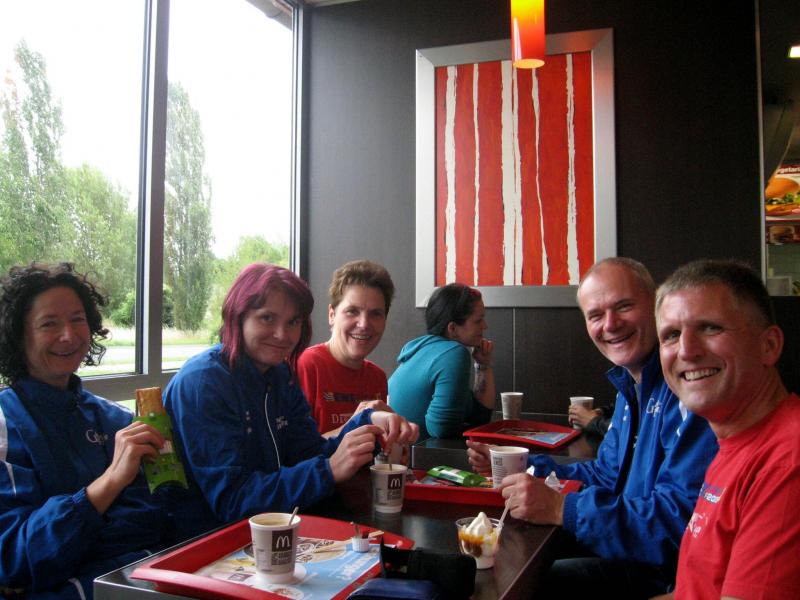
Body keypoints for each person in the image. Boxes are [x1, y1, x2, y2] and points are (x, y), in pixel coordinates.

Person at [467, 257, 718, 597]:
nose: (610, 324)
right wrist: (522, 464)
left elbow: (678, 524)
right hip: (632, 551)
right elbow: (606, 474)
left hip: (663, 575)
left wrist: (562, 509)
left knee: (531, 579)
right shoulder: (631, 388)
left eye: (624, 306)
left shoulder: (688, 389)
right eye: (596, 315)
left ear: (656, 304)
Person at [163, 263, 418, 541]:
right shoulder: (204, 382)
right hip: (203, 541)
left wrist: (368, 423)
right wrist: (328, 471)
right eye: (267, 318)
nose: (282, 335)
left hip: (273, 532)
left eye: (293, 322)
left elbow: (309, 452)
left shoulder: (280, 374)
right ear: (238, 315)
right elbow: (232, 500)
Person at [0, 263, 169, 599]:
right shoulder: (6, 426)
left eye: (78, 319)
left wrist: (71, 543)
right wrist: (111, 481)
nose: (69, 335)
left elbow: (154, 522)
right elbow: (14, 559)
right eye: (49, 323)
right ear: (19, 336)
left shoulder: (116, 418)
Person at [653, 259, 800, 599]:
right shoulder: (735, 440)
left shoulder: (786, 462)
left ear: (769, 346)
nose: (687, 351)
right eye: (671, 335)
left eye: (710, 328)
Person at [297, 260, 394, 436]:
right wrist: (355, 423)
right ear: (331, 315)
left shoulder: (377, 377)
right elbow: (294, 449)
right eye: (352, 311)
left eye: (375, 314)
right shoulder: (306, 365)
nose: (364, 324)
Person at [388, 283, 495, 440]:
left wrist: (483, 365)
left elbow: (480, 417)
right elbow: (442, 429)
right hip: (417, 454)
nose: (485, 326)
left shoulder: (418, 349)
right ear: (452, 329)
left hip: (396, 452)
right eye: (478, 321)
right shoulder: (454, 353)